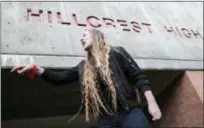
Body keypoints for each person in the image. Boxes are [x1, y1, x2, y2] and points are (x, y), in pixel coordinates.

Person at [11, 29, 161, 128]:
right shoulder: (83, 66)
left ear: (96, 36)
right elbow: (60, 78)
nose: (81, 39)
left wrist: (151, 103)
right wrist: (36, 69)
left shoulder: (117, 53)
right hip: (106, 119)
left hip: (129, 112)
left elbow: (139, 77)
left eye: (84, 35)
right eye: (81, 38)